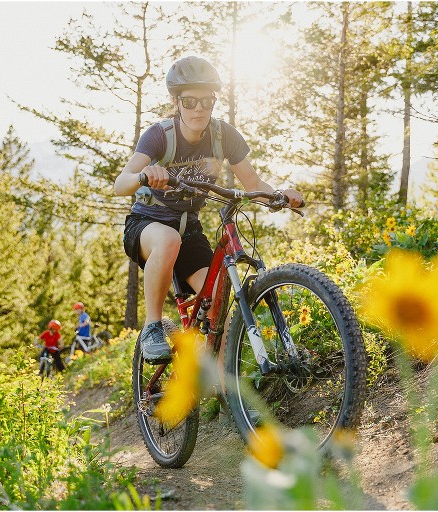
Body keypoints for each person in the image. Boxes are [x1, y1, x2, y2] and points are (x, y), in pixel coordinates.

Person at [114, 56, 304, 364]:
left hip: (189, 230)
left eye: (206, 101)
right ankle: (152, 327)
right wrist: (144, 176)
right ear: (176, 102)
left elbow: (253, 183)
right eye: (190, 101)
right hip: (146, 224)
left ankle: (223, 386)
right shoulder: (160, 135)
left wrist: (279, 195)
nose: (199, 109)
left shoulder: (223, 136)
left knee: (220, 304)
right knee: (168, 239)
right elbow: (120, 183)